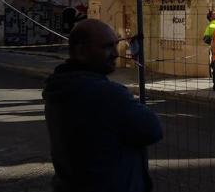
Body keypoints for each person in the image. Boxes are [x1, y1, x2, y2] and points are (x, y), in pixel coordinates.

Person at [42, 19, 163, 192]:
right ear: (82, 51)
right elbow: (153, 129)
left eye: (115, 45)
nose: (115, 53)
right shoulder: (108, 94)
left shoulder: (59, 87)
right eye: (107, 47)